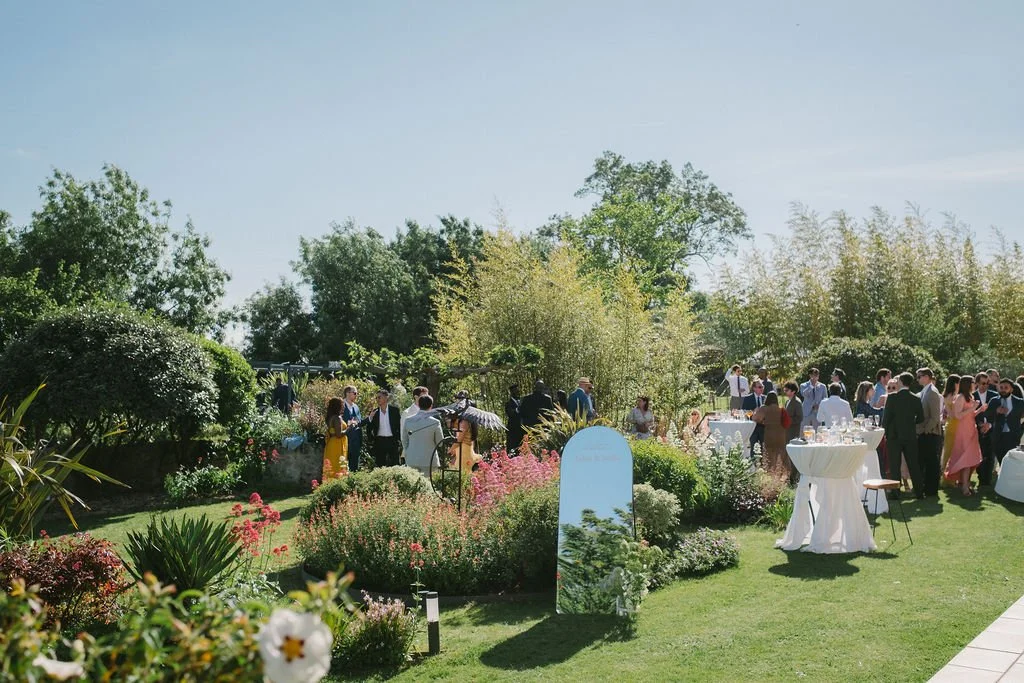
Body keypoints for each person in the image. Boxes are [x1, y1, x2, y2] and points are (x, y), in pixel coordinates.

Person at [882, 372, 925, 498]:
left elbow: (886, 419)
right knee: (913, 464)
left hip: (894, 436)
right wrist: (911, 423)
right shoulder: (915, 398)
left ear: (900, 382)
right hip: (910, 435)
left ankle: (895, 493)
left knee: (895, 465)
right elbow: (921, 418)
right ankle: (919, 492)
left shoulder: (892, 398)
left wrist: (885, 430)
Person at [945, 375, 985, 495]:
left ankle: (965, 484)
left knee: (971, 458)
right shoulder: (960, 397)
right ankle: (964, 487)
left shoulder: (970, 396)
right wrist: (973, 407)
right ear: (968, 384)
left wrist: (979, 410)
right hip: (963, 431)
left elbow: (970, 415)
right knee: (966, 458)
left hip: (971, 429)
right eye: (973, 382)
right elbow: (958, 415)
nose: (975, 385)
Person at [984, 378, 1024, 474]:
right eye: (1001, 387)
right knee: (1002, 459)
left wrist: (1021, 429)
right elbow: (986, 414)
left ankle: (1010, 480)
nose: (1003, 389)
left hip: (1013, 435)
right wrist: (996, 411)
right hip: (998, 435)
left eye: (1006, 387)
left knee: (1012, 460)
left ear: (1011, 389)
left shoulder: (1019, 402)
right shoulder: (994, 401)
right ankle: (1003, 481)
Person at [402, 394, 442, 480]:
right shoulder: (435, 422)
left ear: (419, 405)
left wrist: (408, 450)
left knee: (412, 487)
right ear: (431, 406)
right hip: (429, 460)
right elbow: (440, 443)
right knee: (429, 487)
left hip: (412, 459)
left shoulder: (408, 420)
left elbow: (404, 439)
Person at [915, 368, 942, 497]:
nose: (918, 379)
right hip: (924, 433)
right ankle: (926, 488)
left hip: (930, 434)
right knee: (925, 462)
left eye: (919, 376)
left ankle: (931, 490)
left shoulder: (932, 392)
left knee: (931, 463)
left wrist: (926, 431)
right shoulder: (924, 392)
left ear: (927, 377)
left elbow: (935, 417)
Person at [753, 391, 790, 478]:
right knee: (780, 455)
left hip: (769, 434)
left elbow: (756, 418)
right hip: (781, 435)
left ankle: (770, 475)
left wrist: (757, 413)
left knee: (769, 455)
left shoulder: (764, 408)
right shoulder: (780, 409)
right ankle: (782, 475)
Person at [973, 372, 999, 486]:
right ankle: (981, 476)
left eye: (987, 383)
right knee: (979, 455)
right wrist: (979, 425)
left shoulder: (994, 395)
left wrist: (989, 424)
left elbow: (998, 415)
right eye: (983, 383)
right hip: (976, 430)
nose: (985, 385)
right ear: (977, 383)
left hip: (991, 430)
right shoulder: (972, 396)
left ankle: (986, 481)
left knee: (990, 456)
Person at [367, 389, 402, 468]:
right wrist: (372, 440)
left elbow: (399, 426)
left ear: (386, 398)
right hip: (379, 441)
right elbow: (369, 428)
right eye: (376, 398)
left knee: (395, 464)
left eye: (379, 397)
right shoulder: (374, 412)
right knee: (380, 465)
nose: (377, 399)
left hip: (392, 440)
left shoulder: (394, 411)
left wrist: (399, 440)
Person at [322, 397, 347, 481]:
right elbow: (339, 434)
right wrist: (349, 428)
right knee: (337, 465)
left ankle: (328, 485)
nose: (344, 406)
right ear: (338, 406)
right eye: (342, 404)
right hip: (336, 445)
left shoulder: (331, 417)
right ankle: (337, 484)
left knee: (331, 465)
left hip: (331, 444)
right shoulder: (337, 418)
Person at [941, 375, 961, 477]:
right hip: (955, 424)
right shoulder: (954, 396)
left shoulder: (946, 395)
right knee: (951, 451)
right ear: (955, 383)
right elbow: (954, 414)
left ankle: (945, 473)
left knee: (948, 450)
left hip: (950, 424)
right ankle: (947, 475)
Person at [342, 385, 363, 473]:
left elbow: (359, 422)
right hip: (344, 440)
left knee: (354, 466)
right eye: (354, 393)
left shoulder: (356, 407)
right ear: (347, 393)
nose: (356, 395)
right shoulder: (341, 406)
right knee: (343, 465)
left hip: (355, 441)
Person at [742, 380, 767, 453]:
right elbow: (744, 412)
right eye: (759, 387)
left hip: (764, 427)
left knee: (764, 448)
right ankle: (754, 463)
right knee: (753, 448)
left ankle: (764, 463)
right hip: (753, 427)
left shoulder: (766, 398)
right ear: (754, 388)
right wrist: (754, 413)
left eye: (762, 386)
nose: (762, 388)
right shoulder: (747, 398)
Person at [505, 384, 524, 453]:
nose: (518, 392)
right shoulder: (508, 404)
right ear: (512, 392)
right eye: (516, 391)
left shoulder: (521, 401)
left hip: (522, 430)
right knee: (513, 448)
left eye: (518, 390)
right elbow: (510, 414)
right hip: (513, 430)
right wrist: (518, 409)